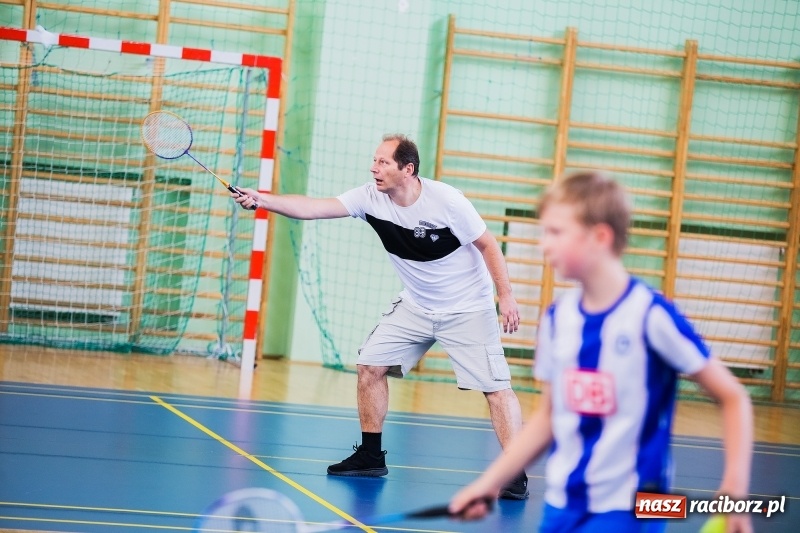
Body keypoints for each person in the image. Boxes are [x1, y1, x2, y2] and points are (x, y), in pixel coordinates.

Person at [449, 172, 754, 531]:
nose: (544, 245)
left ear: (600, 237)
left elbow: (733, 397)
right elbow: (549, 417)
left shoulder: (651, 316)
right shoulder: (557, 320)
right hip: (564, 503)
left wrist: (734, 489)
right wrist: (490, 482)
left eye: (556, 232)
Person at [233, 134, 530, 499]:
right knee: (369, 367)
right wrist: (263, 201)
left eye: (383, 162)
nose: (374, 168)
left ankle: (515, 471)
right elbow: (313, 207)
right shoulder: (368, 198)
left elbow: (488, 244)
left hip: (467, 307)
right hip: (417, 305)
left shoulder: (447, 200)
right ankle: (371, 456)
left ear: (408, 169)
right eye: (374, 161)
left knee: (497, 390)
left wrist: (507, 295)